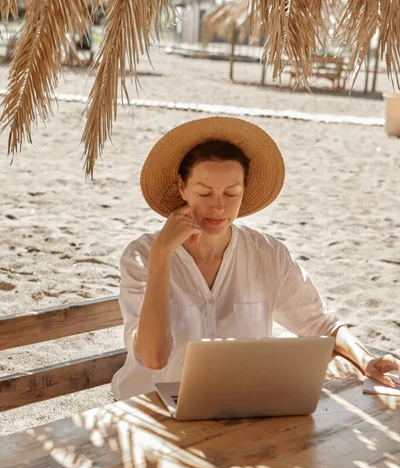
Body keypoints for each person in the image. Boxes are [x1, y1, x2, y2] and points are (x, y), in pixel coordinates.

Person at [111, 117, 400, 401]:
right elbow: (153, 357)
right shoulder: (142, 256)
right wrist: (163, 253)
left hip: (236, 406)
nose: (219, 206)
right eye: (204, 192)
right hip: (148, 412)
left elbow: (321, 325)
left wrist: (367, 360)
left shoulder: (267, 255)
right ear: (181, 188)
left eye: (232, 193)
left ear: (244, 190)